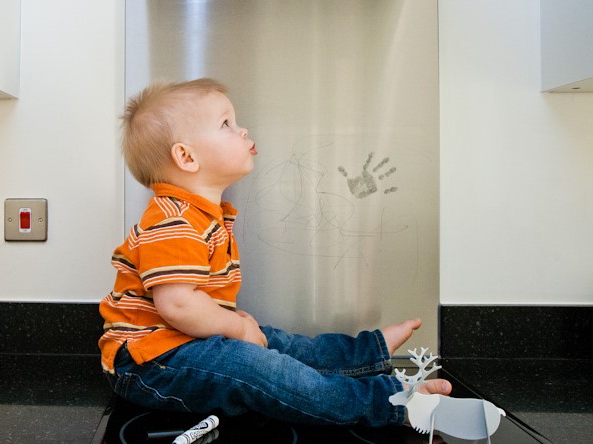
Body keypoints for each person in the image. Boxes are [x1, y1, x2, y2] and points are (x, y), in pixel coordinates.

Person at [98, 78, 451, 427]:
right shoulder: (173, 219)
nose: (242, 129)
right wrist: (237, 328)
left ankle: (365, 355)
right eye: (226, 124)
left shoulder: (200, 215)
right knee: (260, 367)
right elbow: (177, 305)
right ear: (187, 157)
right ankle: (387, 403)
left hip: (180, 347)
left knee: (276, 341)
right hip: (149, 365)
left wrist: (239, 326)